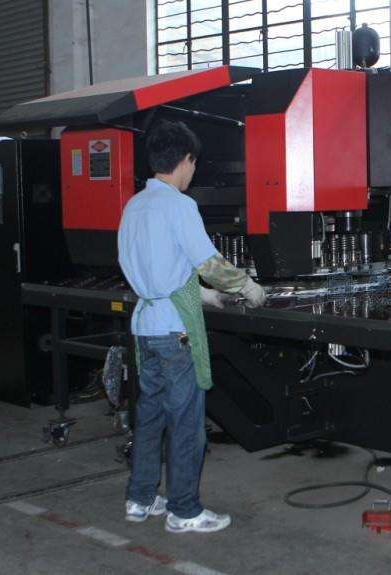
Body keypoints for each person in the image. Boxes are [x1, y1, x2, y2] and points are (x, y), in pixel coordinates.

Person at [117, 119, 266, 533]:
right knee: (185, 421)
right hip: (174, 331)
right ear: (185, 160)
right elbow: (209, 263)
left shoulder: (134, 205)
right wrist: (246, 286)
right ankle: (184, 511)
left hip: (145, 325)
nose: (193, 171)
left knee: (149, 416)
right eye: (194, 163)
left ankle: (140, 499)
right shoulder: (179, 206)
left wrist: (205, 297)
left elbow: (158, 272)